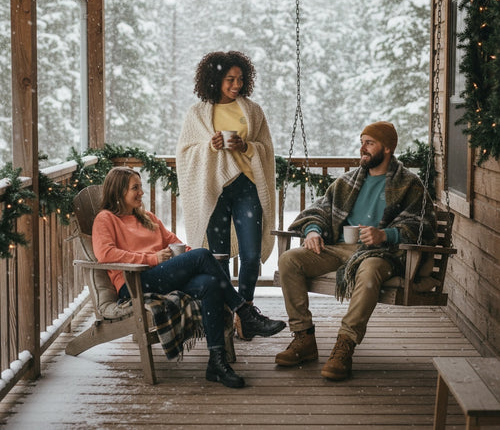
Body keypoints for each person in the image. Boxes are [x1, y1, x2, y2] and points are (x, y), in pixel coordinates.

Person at [92, 166, 285, 389]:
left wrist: (191, 256)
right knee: (203, 254)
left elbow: (176, 243)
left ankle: (217, 362)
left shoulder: (147, 218)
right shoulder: (105, 219)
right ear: (118, 192)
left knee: (210, 283)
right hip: (134, 283)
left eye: (140, 187)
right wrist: (153, 258)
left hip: (161, 277)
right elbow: (106, 254)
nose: (141, 192)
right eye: (135, 188)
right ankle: (244, 312)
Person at [274, 121, 437, 381]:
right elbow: (319, 209)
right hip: (338, 248)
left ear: (387, 148)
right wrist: (313, 230)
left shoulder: (409, 184)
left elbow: (423, 225)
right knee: (289, 260)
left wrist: (386, 234)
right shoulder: (348, 181)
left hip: (380, 253)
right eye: (362, 141)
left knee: (370, 270)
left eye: (369, 143)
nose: (362, 148)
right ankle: (303, 338)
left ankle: (345, 345)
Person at [176, 50, 285, 340]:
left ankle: (246, 310)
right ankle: (226, 315)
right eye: (229, 79)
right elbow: (185, 153)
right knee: (217, 256)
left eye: (240, 79)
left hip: (247, 186)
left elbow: (266, 149)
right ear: (214, 80)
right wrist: (209, 147)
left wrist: (246, 146)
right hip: (213, 190)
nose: (236, 85)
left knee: (251, 255)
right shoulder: (198, 113)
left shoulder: (253, 111)